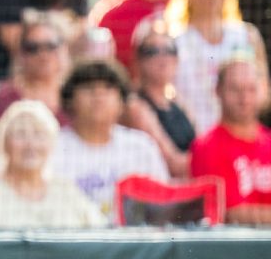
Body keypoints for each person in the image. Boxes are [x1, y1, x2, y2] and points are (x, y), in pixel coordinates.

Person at [0, 99, 105, 230]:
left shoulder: (66, 191)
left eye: (39, 134)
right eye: (20, 134)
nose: (31, 145)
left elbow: (100, 232)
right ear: (5, 143)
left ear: (51, 143)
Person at [167, 0, 266, 135]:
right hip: (189, 142)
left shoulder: (247, 35)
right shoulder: (172, 41)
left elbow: (264, 93)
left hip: (239, 141)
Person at [52, 59, 168, 221]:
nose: (99, 96)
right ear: (70, 100)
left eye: (108, 88)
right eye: (89, 88)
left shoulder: (141, 147)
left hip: (132, 242)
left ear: (122, 102)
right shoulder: (52, 147)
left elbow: (162, 206)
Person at [190, 58, 271, 225]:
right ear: (218, 91)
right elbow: (232, 214)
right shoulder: (207, 146)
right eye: (235, 89)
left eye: (251, 89)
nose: (244, 98)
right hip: (236, 248)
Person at [124, 26, 195, 178]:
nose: (163, 57)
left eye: (169, 50)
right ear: (138, 61)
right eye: (153, 51)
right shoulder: (135, 106)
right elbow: (173, 163)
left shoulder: (177, 100)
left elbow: (202, 147)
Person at [0, 11, 71, 127]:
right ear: (21, 53)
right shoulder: (7, 96)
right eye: (33, 48)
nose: (43, 55)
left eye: (51, 46)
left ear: (63, 48)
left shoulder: (75, 95)